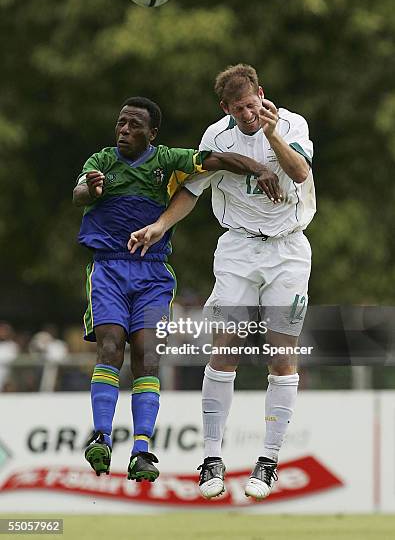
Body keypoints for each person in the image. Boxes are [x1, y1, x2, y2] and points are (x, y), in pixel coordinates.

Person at [128, 66, 315, 499]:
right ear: (225, 109)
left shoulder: (291, 124)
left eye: (253, 104)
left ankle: (267, 461)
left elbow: (301, 173)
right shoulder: (216, 137)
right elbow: (192, 190)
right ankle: (212, 458)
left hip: (288, 250)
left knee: (281, 355)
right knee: (224, 349)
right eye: (239, 109)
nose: (249, 114)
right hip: (237, 251)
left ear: (261, 94)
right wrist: (159, 225)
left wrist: (271, 137)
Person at [73, 94, 282, 482]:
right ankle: (100, 436)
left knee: (148, 356)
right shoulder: (101, 162)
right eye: (121, 123)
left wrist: (257, 167)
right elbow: (79, 194)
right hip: (109, 270)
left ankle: (141, 449)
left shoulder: (167, 160)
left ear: (151, 133)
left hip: (152, 274)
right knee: (110, 346)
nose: (124, 130)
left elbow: (216, 161)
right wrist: (93, 190)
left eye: (134, 125)